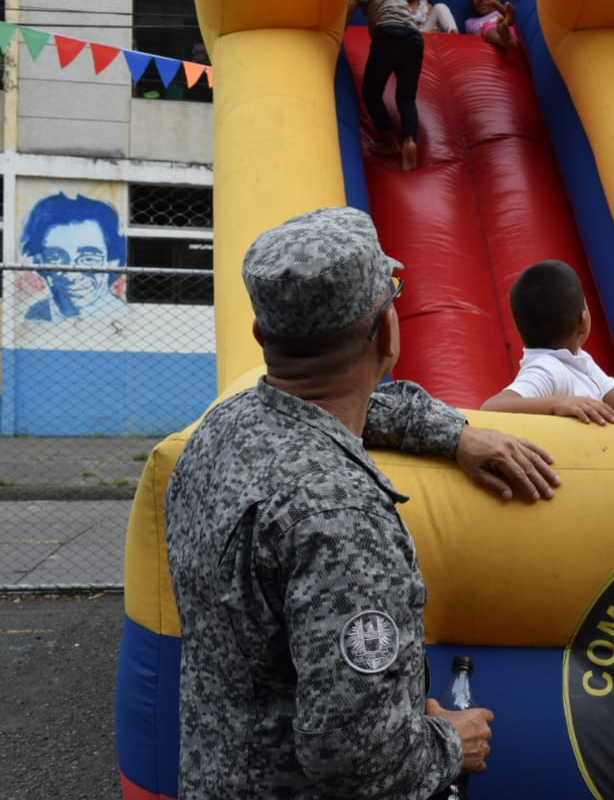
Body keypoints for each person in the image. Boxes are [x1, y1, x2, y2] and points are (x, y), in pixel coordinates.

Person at [165, 206, 561, 799]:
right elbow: (354, 758)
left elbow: (334, 405)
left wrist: (454, 433)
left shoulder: (221, 430)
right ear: (387, 332)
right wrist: (454, 741)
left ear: (261, 337)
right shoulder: (341, 521)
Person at [481, 259, 614, 424]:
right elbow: (491, 409)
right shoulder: (547, 369)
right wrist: (557, 403)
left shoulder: (579, 359)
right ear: (583, 321)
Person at [20, 192, 129, 321]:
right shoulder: (35, 315)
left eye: (88, 259)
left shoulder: (125, 318)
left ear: (113, 262)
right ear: (39, 262)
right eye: (56, 258)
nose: (72, 276)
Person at [351, 0, 423, 171]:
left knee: (371, 93)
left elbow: (347, 13)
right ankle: (409, 141)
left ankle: (390, 142)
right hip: (414, 36)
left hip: (388, 33)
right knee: (406, 97)